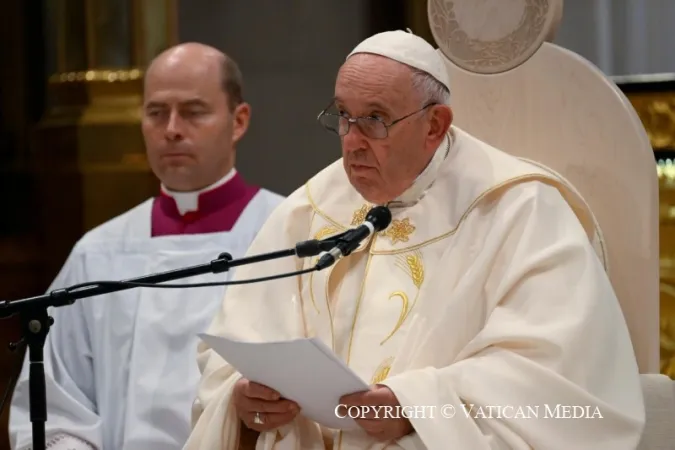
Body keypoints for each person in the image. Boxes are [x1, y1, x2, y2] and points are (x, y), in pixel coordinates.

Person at [183, 30, 645, 450]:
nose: (352, 142)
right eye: (343, 116)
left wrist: (415, 407)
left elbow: (558, 383)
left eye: (375, 120)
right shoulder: (308, 211)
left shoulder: (520, 210)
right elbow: (232, 354)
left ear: (434, 126)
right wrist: (244, 402)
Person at [8, 43, 284, 450]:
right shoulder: (99, 252)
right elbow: (57, 401)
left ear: (238, 120)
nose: (172, 128)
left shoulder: (288, 235)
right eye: (156, 112)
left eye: (193, 111)